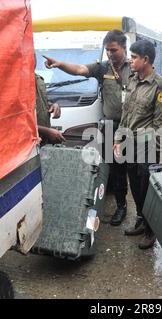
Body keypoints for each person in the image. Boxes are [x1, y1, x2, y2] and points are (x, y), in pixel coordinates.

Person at [43, 30, 131, 226]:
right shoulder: (103, 68)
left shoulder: (133, 68)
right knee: (114, 168)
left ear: (124, 48)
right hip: (110, 126)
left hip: (130, 127)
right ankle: (121, 206)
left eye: (114, 50)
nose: (110, 54)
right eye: (107, 50)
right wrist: (60, 64)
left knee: (131, 168)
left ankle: (139, 212)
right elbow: (80, 69)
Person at [113, 39, 162, 250]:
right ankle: (140, 219)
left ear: (145, 59)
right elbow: (126, 113)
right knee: (135, 188)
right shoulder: (132, 80)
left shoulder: (160, 87)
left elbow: (161, 123)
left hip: (147, 146)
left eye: (135, 57)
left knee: (147, 189)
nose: (131, 60)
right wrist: (118, 138)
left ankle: (150, 229)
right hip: (130, 142)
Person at [35, 72, 65, 145]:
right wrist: (47, 131)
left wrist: (52, 105)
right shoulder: (15, 81)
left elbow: (40, 101)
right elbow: (16, 122)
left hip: (42, 140)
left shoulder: (37, 78)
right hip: (26, 145)